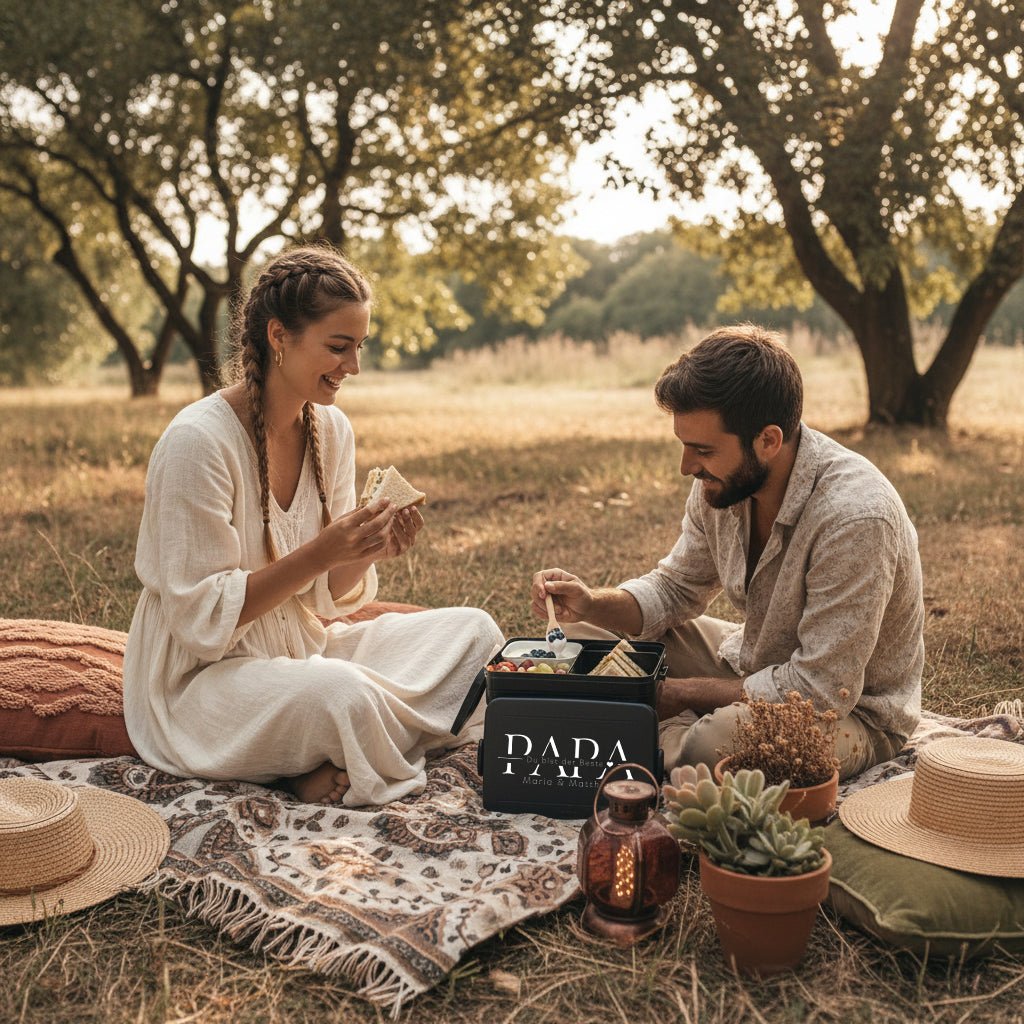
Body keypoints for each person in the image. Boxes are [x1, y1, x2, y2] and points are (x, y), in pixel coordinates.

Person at [123, 244, 504, 806]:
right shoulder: (196, 442)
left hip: (301, 650)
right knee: (343, 694)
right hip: (202, 685)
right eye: (338, 347)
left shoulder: (331, 431)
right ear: (279, 336)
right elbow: (199, 619)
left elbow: (325, 600)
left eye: (358, 347)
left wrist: (368, 548)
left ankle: (328, 750)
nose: (353, 367)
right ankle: (324, 752)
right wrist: (322, 553)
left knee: (476, 636)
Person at [532, 324, 924, 781]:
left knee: (710, 742)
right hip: (755, 660)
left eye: (702, 450)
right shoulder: (721, 484)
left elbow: (820, 691)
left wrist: (678, 693)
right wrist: (593, 602)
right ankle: (648, 738)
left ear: (768, 440)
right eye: (684, 446)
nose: (686, 467)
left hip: (848, 715)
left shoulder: (855, 518)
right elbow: (675, 589)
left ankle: (641, 739)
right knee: (585, 630)